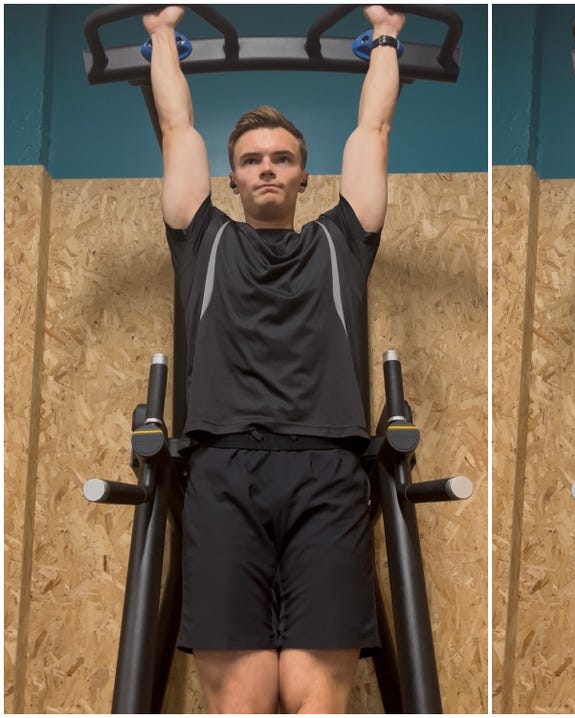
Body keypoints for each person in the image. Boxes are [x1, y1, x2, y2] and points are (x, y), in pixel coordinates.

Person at [141, 5, 404, 712]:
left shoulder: (342, 242)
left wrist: (386, 34)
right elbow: (177, 130)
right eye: (252, 160)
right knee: (245, 697)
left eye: (281, 158)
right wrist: (162, 34)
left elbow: (372, 132)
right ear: (231, 178)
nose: (267, 169)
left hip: (330, 472)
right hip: (223, 469)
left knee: (314, 695)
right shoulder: (203, 241)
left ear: (303, 176)